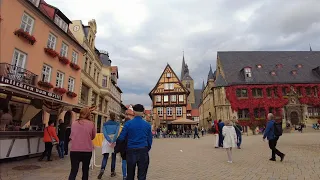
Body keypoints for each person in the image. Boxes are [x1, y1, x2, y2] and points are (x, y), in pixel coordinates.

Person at [117, 104, 153, 180]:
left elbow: (121, 138)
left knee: (130, 175)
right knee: (142, 175)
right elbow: (150, 140)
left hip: (131, 150)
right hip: (143, 150)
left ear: (133, 112)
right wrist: (147, 149)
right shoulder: (147, 125)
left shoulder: (128, 124)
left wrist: (118, 149)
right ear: (143, 112)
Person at [68, 107, 96, 180]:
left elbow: (71, 136)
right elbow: (93, 137)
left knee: (73, 171)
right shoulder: (92, 124)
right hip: (86, 150)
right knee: (85, 170)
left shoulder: (74, 123)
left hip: (74, 150)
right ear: (88, 114)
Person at [98, 112, 120, 179]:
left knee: (105, 157)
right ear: (115, 117)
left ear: (109, 116)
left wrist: (109, 140)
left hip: (106, 141)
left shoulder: (105, 124)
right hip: (114, 141)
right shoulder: (117, 124)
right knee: (113, 157)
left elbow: (104, 133)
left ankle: (102, 169)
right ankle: (112, 172)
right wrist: (113, 141)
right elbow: (116, 133)